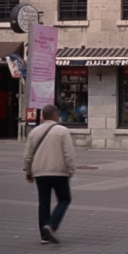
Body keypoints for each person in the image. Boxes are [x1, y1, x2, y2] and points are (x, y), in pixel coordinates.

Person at [23, 104, 76, 244]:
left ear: (43, 116)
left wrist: (28, 171)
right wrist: (71, 170)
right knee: (64, 199)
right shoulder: (63, 131)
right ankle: (51, 225)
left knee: (43, 203)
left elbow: (28, 155)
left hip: (39, 172)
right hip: (59, 172)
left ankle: (44, 236)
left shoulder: (34, 132)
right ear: (54, 115)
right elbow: (68, 153)